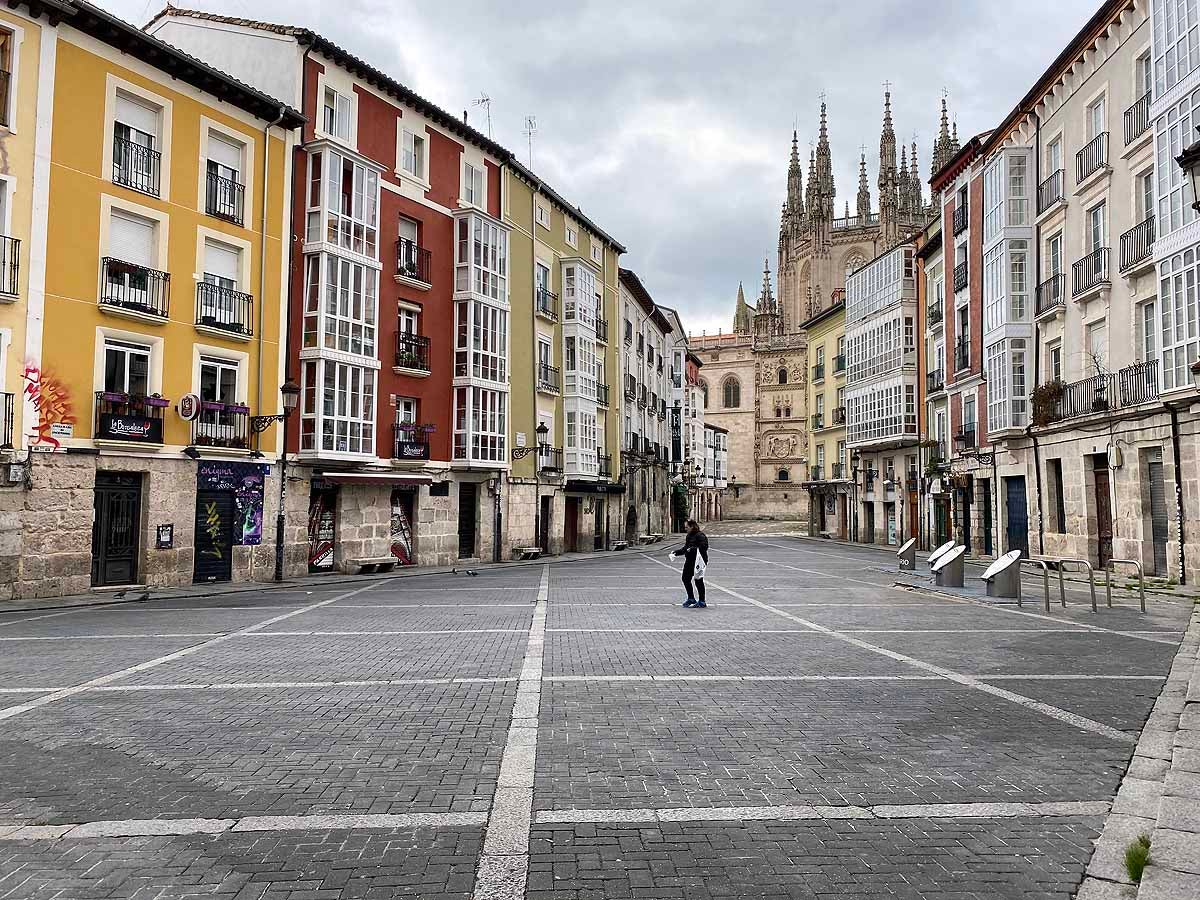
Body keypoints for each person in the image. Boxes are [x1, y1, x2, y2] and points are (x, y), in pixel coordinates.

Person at [670, 518, 709, 608]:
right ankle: (691, 598)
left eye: (687, 527)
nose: (685, 529)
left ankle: (702, 601)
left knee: (698, 580)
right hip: (690, 560)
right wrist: (676, 552)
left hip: (699, 561)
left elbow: (704, 547)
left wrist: (692, 549)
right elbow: (685, 548)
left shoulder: (700, 535)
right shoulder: (689, 536)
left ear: (692, 526)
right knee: (685, 578)